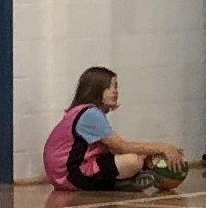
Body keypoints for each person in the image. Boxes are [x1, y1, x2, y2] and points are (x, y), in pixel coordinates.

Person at [43, 68, 188, 192]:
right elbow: (121, 147)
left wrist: (149, 154)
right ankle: (120, 184)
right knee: (132, 160)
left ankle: (129, 180)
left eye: (116, 87)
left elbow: (112, 149)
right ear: (96, 90)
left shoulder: (85, 112)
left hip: (64, 173)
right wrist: (163, 148)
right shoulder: (90, 114)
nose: (115, 92)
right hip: (70, 175)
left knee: (138, 158)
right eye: (110, 87)